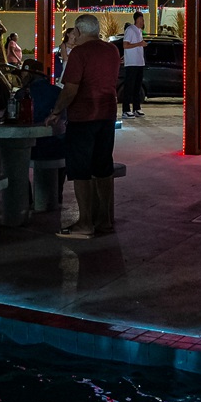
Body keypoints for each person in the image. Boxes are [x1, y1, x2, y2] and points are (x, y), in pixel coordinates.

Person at [44, 13, 122, 239]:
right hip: (107, 114)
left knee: (81, 171)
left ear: (78, 32)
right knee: (103, 168)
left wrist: (56, 112)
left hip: (83, 116)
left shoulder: (79, 53)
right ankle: (104, 220)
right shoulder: (112, 50)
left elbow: (70, 88)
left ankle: (85, 222)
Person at [121, 12, 147, 118]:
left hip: (139, 63)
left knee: (137, 87)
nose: (142, 22)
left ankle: (137, 108)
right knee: (129, 87)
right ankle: (126, 110)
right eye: (140, 19)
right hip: (131, 63)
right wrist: (139, 44)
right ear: (136, 19)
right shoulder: (130, 30)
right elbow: (125, 45)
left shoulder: (139, 31)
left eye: (143, 20)